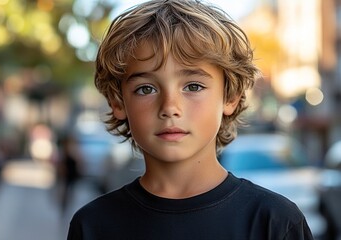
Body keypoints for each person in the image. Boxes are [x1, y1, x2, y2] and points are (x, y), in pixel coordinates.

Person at [67, 0, 314, 239]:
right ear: (118, 102)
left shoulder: (274, 221)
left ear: (230, 97)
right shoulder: (92, 225)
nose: (170, 107)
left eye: (193, 86)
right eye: (146, 89)